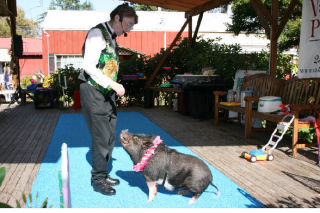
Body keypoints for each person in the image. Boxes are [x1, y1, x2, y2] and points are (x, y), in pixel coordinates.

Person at [78, 3, 138, 196]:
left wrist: (112, 86)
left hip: (106, 92)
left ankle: (103, 174)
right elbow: (88, 66)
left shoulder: (111, 36)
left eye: (131, 26)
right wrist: (114, 85)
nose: (128, 30)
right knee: (101, 137)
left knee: (110, 134)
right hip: (93, 91)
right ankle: (97, 180)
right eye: (127, 25)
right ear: (117, 18)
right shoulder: (97, 33)